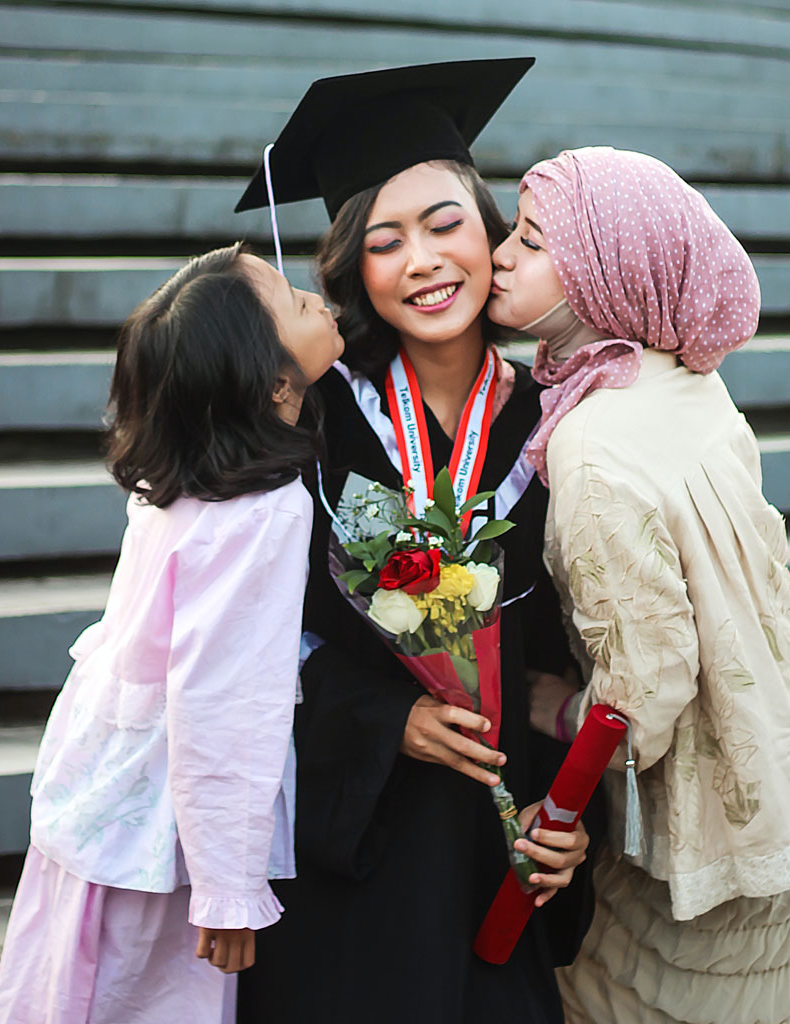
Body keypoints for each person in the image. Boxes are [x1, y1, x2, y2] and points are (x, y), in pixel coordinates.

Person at [234, 60, 592, 1024]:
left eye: (446, 225)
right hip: (354, 853)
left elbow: (573, 660)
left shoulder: (560, 422)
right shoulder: (307, 416)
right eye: (385, 243)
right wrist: (385, 721)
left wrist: (569, 817)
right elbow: (241, 637)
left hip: (498, 837)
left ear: (492, 233)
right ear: (353, 267)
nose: (424, 261)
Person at [487, 146, 790, 1024]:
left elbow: (645, 690)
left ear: (605, 273)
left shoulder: (589, 447)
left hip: (715, 821)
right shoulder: (690, 381)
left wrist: (557, 712)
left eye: (533, 241)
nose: (501, 254)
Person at [0, 242, 344, 1024]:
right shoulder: (267, 508)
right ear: (274, 379)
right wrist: (229, 886)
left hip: (104, 795)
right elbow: (223, 698)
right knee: (149, 999)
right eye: (293, 300)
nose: (318, 296)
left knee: (71, 990)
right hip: (162, 829)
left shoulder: (178, 478)